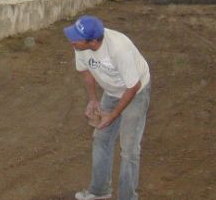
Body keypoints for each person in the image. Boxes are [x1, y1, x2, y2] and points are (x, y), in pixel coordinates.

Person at [64, 15, 151, 200]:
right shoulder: (79, 46)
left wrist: (113, 115)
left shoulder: (119, 49)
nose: (71, 41)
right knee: (101, 138)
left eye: (76, 38)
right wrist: (93, 100)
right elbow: (86, 71)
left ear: (94, 41)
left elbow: (132, 86)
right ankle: (100, 190)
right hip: (112, 91)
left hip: (136, 91)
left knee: (128, 148)